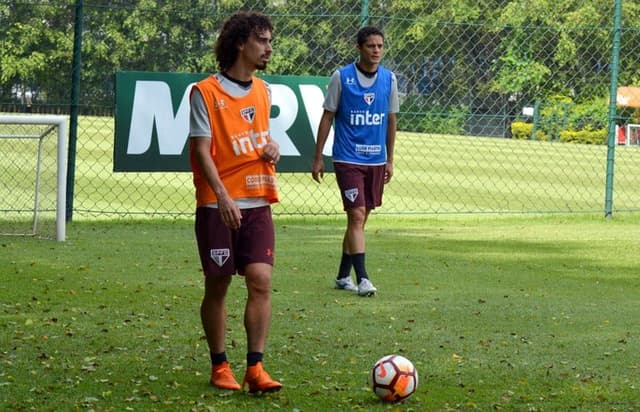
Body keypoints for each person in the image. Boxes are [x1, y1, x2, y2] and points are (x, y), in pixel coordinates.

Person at [189, 11, 282, 394]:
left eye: (270, 41)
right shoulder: (204, 92)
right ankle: (219, 365)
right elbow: (201, 150)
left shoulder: (264, 90)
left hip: (258, 199)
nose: (269, 48)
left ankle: (256, 369)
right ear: (241, 43)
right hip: (218, 204)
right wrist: (223, 196)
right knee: (219, 285)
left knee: (261, 281)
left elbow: (261, 137)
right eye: (262, 40)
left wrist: (271, 147)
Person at [311, 26, 399, 297]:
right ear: (359, 48)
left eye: (380, 46)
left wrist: (390, 159)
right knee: (357, 215)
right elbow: (328, 116)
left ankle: (341, 276)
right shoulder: (342, 77)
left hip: (376, 160)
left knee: (359, 220)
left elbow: (391, 120)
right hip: (347, 158)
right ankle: (362, 279)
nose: (376, 51)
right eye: (371, 46)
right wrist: (318, 157)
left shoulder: (389, 79)